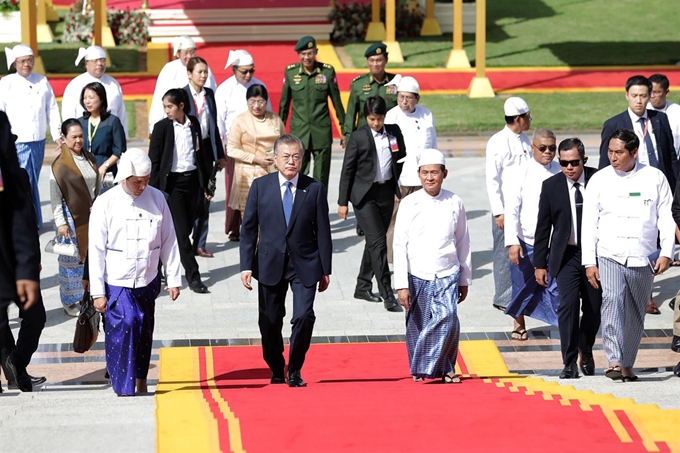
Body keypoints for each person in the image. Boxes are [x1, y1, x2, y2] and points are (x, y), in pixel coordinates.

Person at [240, 134, 332, 387]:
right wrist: (246, 265)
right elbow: (248, 228)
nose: (291, 161)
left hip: (306, 262)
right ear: (276, 159)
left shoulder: (313, 188)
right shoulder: (261, 187)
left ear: (302, 159)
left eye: (296, 157)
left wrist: (325, 268)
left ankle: (295, 368)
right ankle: (276, 366)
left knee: (304, 316)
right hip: (269, 263)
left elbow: (323, 230)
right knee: (269, 320)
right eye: (286, 156)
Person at [583, 129, 675, 381]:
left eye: (619, 152)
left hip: (643, 257)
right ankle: (613, 359)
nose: (613, 157)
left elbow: (666, 218)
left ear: (634, 152)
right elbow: (589, 223)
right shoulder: (599, 180)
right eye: (610, 151)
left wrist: (667, 251)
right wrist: (589, 261)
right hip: (609, 254)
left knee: (635, 311)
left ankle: (626, 363)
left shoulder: (654, 177)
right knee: (611, 300)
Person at [89, 149, 181, 396]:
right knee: (128, 322)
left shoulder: (158, 199)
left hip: (148, 279)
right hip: (117, 280)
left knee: (144, 329)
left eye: (146, 180)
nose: (142, 186)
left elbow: (169, 239)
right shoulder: (105, 202)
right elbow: (96, 250)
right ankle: (123, 387)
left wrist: (173, 279)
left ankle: (141, 380)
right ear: (124, 178)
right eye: (137, 181)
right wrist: (97, 292)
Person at [599, 75, 677, 315]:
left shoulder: (660, 120)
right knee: (637, 237)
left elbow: (670, 158)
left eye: (644, 96)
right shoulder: (614, 123)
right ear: (626, 96)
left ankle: (645, 290)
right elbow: (605, 163)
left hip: (657, 187)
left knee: (654, 238)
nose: (640, 101)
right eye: (635, 96)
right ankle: (643, 294)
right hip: (628, 190)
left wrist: (675, 191)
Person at [393, 148, 470, 384]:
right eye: (425, 173)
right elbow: (399, 245)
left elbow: (463, 241)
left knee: (448, 318)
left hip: (447, 272)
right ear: (418, 174)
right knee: (418, 323)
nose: (429, 178)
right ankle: (421, 368)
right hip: (417, 273)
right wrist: (401, 285)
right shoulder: (409, 203)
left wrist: (464, 279)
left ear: (444, 173)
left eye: (434, 173)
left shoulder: (454, 201)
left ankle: (446, 366)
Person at [533, 138, 601, 379]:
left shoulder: (599, 180)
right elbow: (543, 227)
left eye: (574, 162)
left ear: (584, 160)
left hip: (596, 254)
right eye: (563, 163)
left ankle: (586, 346)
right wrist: (540, 264)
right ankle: (569, 361)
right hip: (567, 255)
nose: (569, 168)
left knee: (594, 308)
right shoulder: (551, 186)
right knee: (568, 305)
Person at [338, 96, 406, 312]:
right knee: (379, 244)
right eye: (371, 119)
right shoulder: (358, 137)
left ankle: (362, 286)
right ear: (366, 117)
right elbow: (347, 170)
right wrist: (342, 202)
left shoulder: (394, 132)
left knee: (373, 243)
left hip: (385, 192)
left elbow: (401, 156)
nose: (376, 123)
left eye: (379, 119)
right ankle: (388, 294)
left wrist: (397, 186)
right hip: (363, 196)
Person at [149, 89, 211, 294]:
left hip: (193, 182)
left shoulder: (193, 123)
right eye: (164, 107)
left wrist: (208, 182)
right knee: (181, 234)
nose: (166, 110)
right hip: (172, 185)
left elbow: (202, 154)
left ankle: (158, 270)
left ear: (181, 106)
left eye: (170, 106)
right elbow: (154, 162)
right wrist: (155, 191)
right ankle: (194, 276)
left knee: (189, 228)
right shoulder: (161, 128)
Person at [0, 111, 43, 393]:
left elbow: (25, 217)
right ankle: (16, 375)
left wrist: (30, 262)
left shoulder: (17, 174)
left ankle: (16, 362)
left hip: (13, 257)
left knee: (36, 315)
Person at [503, 129, 560, 339]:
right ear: (531, 148)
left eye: (552, 148)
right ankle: (518, 323)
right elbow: (512, 208)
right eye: (543, 148)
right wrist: (512, 242)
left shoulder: (561, 170)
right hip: (525, 240)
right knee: (522, 284)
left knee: (555, 286)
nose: (548, 152)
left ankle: (560, 321)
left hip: (554, 241)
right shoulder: (520, 171)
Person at [0, 44, 61, 229]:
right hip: (16, 141)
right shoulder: (7, 82)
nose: (27, 64)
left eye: (30, 60)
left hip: (38, 140)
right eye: (23, 61)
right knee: (21, 179)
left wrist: (57, 134)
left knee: (33, 180)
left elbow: (51, 108)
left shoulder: (42, 81)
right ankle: (23, 221)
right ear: (15, 63)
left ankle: (33, 219)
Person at [279, 35, 346, 193]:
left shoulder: (327, 72)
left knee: (321, 176)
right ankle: (300, 210)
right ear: (298, 55)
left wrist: (344, 130)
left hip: (321, 132)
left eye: (310, 53)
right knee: (297, 173)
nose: (307, 57)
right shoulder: (291, 73)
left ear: (316, 52)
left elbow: (337, 103)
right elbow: (284, 104)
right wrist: (279, 131)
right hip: (299, 132)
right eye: (303, 53)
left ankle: (319, 210)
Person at [215, 49, 270, 240]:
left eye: (251, 71)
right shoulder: (224, 89)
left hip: (258, 145)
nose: (248, 75)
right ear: (234, 70)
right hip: (234, 146)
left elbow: (268, 115)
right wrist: (219, 150)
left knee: (258, 186)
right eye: (243, 71)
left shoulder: (259, 86)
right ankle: (234, 228)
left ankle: (259, 226)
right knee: (235, 186)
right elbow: (218, 121)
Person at [485, 97, 532, 313]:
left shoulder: (525, 140)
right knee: (504, 253)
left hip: (525, 204)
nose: (530, 119)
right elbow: (492, 179)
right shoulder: (497, 141)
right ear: (517, 118)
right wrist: (498, 212)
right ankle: (503, 296)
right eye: (527, 116)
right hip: (506, 206)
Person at [384, 74, 437, 262]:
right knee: (395, 220)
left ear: (417, 99)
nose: (404, 102)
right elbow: (388, 152)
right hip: (401, 178)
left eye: (408, 98)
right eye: (401, 97)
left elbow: (433, 145)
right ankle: (392, 259)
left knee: (422, 220)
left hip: (423, 178)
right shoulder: (392, 116)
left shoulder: (426, 114)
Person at [50, 118, 100, 316]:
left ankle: (87, 295)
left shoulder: (89, 157)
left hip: (91, 216)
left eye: (81, 136)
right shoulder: (59, 165)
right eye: (74, 137)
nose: (79, 140)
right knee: (71, 263)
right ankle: (69, 301)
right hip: (70, 220)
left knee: (89, 259)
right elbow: (55, 197)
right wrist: (61, 222)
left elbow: (96, 185)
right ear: (64, 138)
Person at [227, 84, 285, 238]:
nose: (257, 106)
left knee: (271, 215)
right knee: (251, 218)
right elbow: (231, 149)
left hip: (272, 173)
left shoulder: (275, 119)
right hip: (248, 176)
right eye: (252, 102)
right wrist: (255, 158)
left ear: (266, 102)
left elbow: (283, 142)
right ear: (247, 102)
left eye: (260, 102)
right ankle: (251, 254)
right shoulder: (240, 121)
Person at [182, 56, 226, 258]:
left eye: (205, 72)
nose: (203, 75)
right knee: (190, 197)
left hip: (207, 149)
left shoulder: (209, 94)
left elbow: (214, 125)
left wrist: (220, 154)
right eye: (199, 72)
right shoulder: (182, 95)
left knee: (206, 196)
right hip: (188, 150)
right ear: (189, 74)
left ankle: (200, 243)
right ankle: (184, 239)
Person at [148, 36, 217, 134]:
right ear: (178, 53)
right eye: (186, 53)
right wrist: (154, 127)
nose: (189, 56)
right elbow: (159, 99)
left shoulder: (204, 69)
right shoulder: (169, 69)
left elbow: (212, 96)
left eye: (192, 52)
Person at [61, 46, 128, 138]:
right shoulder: (75, 84)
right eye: (95, 61)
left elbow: (121, 112)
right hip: (84, 135)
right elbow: (68, 113)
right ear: (86, 63)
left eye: (102, 60)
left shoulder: (113, 84)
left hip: (111, 134)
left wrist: (123, 135)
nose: (99, 64)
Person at [343, 43, 398, 144]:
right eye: (371, 60)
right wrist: (348, 136)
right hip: (365, 137)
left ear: (386, 60)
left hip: (390, 136)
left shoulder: (396, 82)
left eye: (379, 60)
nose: (375, 64)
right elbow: (351, 114)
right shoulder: (358, 84)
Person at [77, 82, 126, 181]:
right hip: (83, 171)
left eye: (91, 98)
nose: (87, 101)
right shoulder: (80, 122)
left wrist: (105, 166)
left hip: (106, 172)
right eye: (85, 98)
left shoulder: (112, 121)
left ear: (101, 99)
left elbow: (119, 149)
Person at [648, 74, 680, 158]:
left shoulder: (677, 112)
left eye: (656, 92)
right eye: (650, 91)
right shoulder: (642, 111)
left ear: (666, 93)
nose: (652, 96)